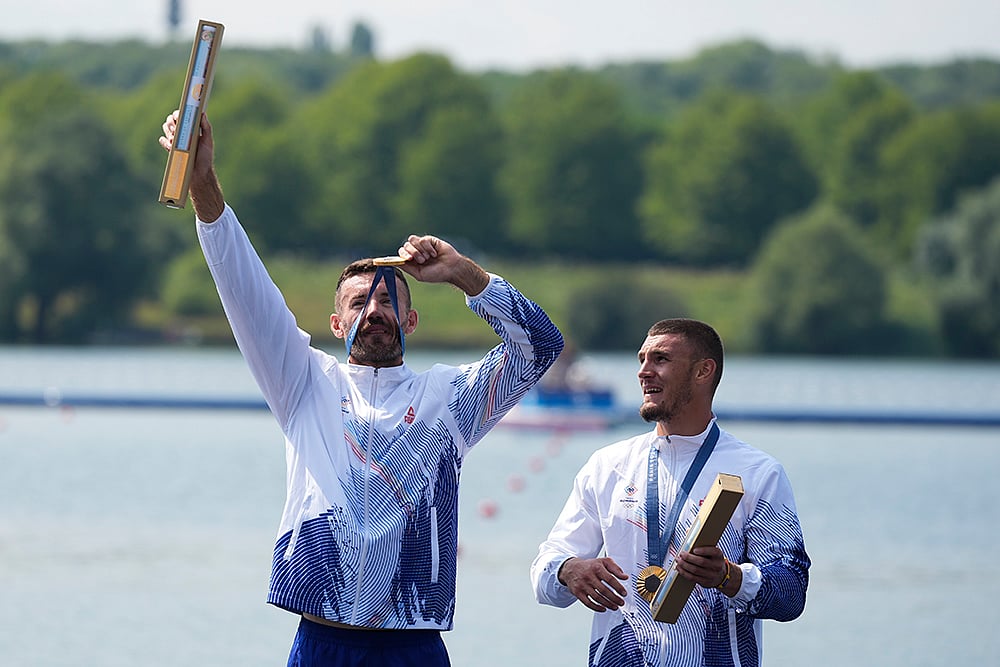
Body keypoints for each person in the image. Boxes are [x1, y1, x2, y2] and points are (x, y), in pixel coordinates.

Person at [158, 110, 563, 666]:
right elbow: (243, 287)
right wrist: (204, 185)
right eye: (359, 303)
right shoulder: (302, 382)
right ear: (337, 324)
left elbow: (540, 347)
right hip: (324, 638)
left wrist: (464, 274)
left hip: (413, 642)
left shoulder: (449, 402)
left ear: (411, 322)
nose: (374, 310)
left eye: (388, 302)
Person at [530, 318, 809, 667]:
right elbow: (544, 572)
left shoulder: (758, 472)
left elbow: (792, 593)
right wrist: (567, 570)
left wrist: (729, 577)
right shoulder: (607, 465)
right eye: (641, 360)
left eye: (660, 359)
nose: (643, 372)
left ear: (703, 371)